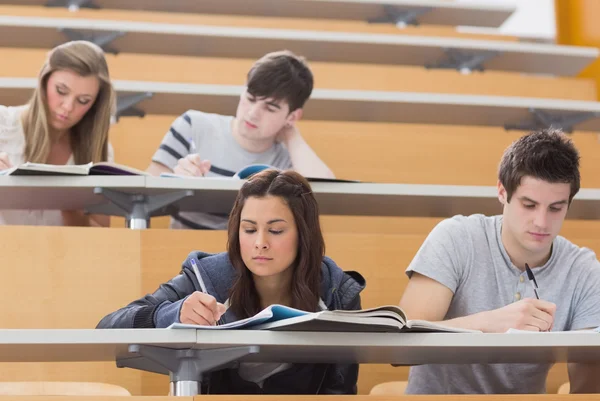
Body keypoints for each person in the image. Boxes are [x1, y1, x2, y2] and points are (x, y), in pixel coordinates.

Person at [97, 169, 364, 394]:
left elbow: (340, 392)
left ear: (304, 234)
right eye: (248, 229)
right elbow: (108, 328)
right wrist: (171, 314)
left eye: (276, 230)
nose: (260, 243)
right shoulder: (205, 277)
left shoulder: (337, 293)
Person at [399, 129, 600, 394]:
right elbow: (401, 345)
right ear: (502, 192)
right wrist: (489, 324)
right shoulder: (456, 237)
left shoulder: (584, 270)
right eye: (529, 205)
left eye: (555, 208)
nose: (542, 222)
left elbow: (587, 388)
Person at [146, 50, 335, 230]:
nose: (253, 114)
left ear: (292, 117)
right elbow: (144, 197)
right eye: (250, 98)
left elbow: (324, 194)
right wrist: (176, 183)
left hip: (251, 258)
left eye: (270, 108)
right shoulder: (192, 126)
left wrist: (291, 135)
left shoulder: (289, 161)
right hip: (184, 252)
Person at [0, 40, 116, 227]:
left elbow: (100, 235)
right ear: (44, 81)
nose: (68, 107)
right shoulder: (3, 124)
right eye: (61, 91)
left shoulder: (98, 152)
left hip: (61, 254)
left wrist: (72, 211)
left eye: (83, 100)